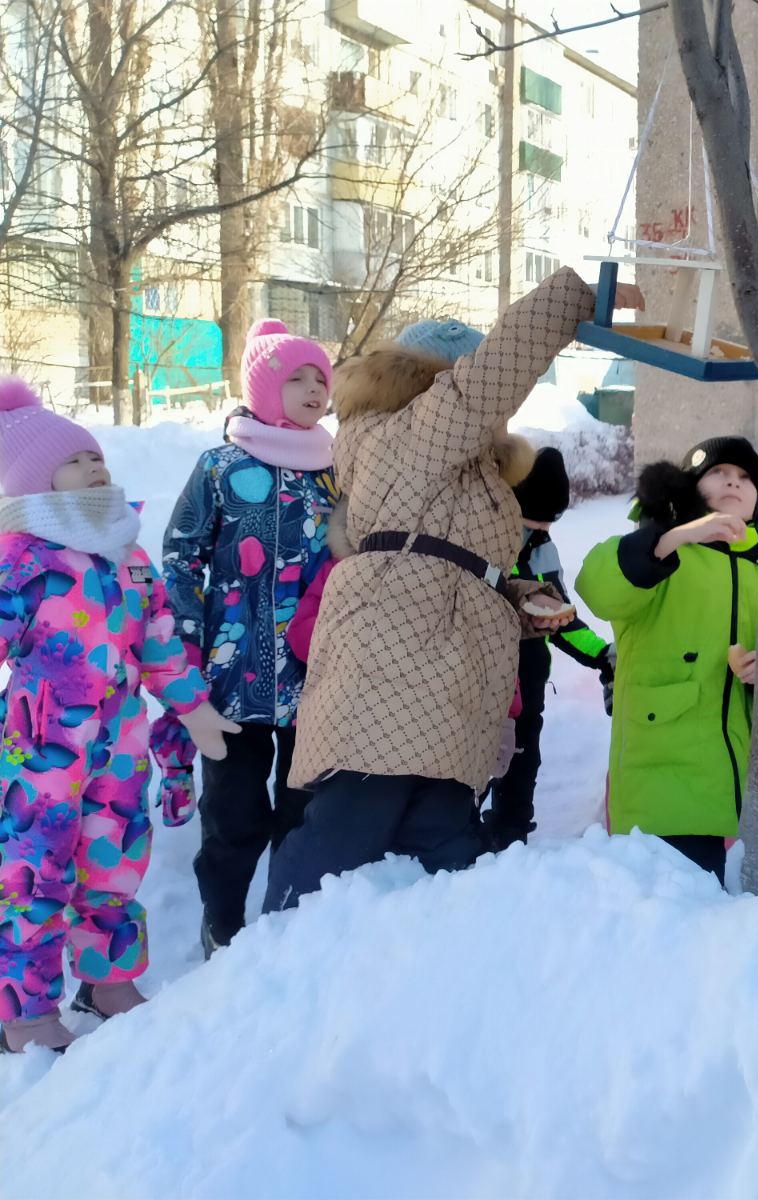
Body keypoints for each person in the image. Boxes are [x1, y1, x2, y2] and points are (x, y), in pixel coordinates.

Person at [263, 269, 616, 911]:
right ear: (435, 384)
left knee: (440, 855)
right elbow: (496, 371)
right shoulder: (410, 434)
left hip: (444, 685)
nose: (497, 410)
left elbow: (445, 561)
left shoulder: (451, 466)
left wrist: (514, 598)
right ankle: (268, 956)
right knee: (343, 841)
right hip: (394, 676)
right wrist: (579, 298)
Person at [0, 378, 235, 1052]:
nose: (93, 467)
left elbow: (159, 640)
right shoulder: (21, 559)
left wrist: (193, 708)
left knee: (115, 861)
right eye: (73, 461)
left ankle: (107, 981)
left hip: (120, 746)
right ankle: (24, 1010)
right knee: (35, 872)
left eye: (95, 457)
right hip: (39, 751)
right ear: (34, 481)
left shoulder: (125, 555)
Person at [159, 318, 338, 955]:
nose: (315, 389)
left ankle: (287, 926)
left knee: (303, 810)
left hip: (316, 677)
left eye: (321, 378)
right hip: (231, 679)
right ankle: (223, 922)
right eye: (298, 378)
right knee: (234, 816)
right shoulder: (221, 467)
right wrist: (186, 646)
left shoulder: (335, 470)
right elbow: (180, 556)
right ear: (263, 388)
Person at [574, 437, 758, 882]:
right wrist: (675, 536)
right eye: (718, 472)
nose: (733, 483)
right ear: (688, 486)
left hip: (733, 788)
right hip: (660, 781)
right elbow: (598, 587)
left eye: (745, 477)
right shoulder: (663, 552)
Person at [482, 447, 614, 852]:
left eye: (546, 526)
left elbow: (562, 620)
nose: (537, 535)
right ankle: (460, 831)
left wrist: (601, 654)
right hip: (480, 679)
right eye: (529, 525)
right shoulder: (482, 540)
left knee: (522, 759)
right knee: (474, 760)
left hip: (528, 680)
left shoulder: (543, 548)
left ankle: (512, 833)